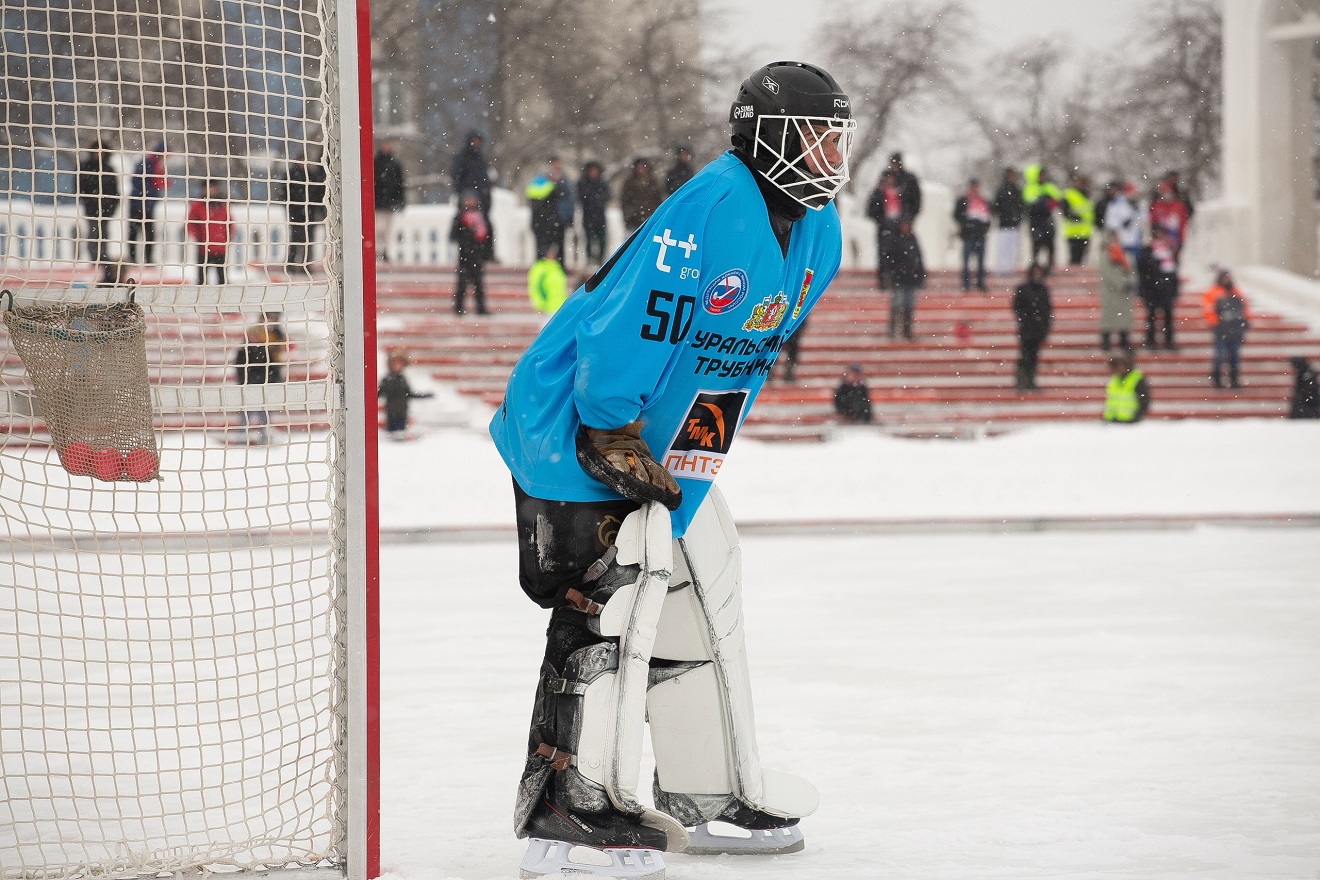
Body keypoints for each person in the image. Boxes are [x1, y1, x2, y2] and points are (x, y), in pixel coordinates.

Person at [488, 59, 855, 879]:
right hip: (576, 426)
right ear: (766, 138)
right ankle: (566, 808)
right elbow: (635, 320)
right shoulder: (711, 205)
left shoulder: (820, 231)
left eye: (838, 140)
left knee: (701, 584)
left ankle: (707, 792)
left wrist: (692, 453)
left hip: (673, 443)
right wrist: (612, 425)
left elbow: (740, 353)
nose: (831, 156)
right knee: (610, 603)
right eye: (816, 138)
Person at [232, 319, 284, 445]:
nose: (254, 337)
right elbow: (239, 370)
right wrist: (247, 382)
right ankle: (241, 437)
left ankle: (264, 436)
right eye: (251, 335)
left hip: (263, 389)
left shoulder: (266, 351)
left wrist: (270, 382)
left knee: (264, 414)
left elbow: (273, 369)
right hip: (248, 388)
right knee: (245, 414)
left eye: (256, 335)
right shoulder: (242, 352)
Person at [78, 139, 120, 282]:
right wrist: (89, 203)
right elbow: (80, 188)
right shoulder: (85, 168)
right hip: (92, 210)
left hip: (106, 211)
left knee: (104, 236)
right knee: (93, 235)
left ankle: (102, 262)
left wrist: (112, 206)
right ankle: (95, 261)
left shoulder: (109, 169)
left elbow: (115, 191)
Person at [1201, 269, 1251, 389]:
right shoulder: (1213, 292)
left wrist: (1245, 321)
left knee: (1234, 355)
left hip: (1235, 328)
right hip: (1222, 329)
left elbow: (1244, 308)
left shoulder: (1235, 291)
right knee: (1220, 354)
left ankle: (1233, 379)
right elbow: (1208, 310)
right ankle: (1217, 379)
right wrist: (1215, 323)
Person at [281, 157, 326, 277]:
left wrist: (317, 209)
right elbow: (286, 192)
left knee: (309, 240)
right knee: (296, 239)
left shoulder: (312, 175)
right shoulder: (292, 175)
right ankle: (291, 263)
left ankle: (306, 264)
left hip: (309, 213)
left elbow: (318, 193)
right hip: (297, 213)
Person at [1137, 225, 1180, 350]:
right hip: (1152, 289)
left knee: (1167, 317)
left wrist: (1174, 288)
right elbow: (1143, 269)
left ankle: (1168, 341)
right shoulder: (1148, 250)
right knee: (1151, 316)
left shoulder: (1170, 249)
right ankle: (1150, 341)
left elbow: (1173, 271)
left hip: (1166, 288)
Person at [449, 192, 492, 315]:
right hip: (464, 255)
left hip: (477, 256)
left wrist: (486, 252)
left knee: (478, 283)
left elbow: (488, 235)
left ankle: (480, 308)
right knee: (462, 284)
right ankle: (459, 308)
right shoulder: (460, 217)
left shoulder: (482, 217)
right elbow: (453, 235)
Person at [1011, 263, 1052, 390]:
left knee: (1033, 357)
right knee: (1025, 356)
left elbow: (1047, 310)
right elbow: (1016, 306)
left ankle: (1030, 381)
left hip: (1037, 329)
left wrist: (1045, 326)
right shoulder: (1023, 288)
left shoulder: (1043, 289)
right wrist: (1024, 318)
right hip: (1027, 328)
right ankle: (1021, 381)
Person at [377, 350, 433, 440]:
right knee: (393, 436)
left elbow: (409, 394)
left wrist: (424, 396)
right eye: (396, 363)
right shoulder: (387, 379)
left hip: (402, 411)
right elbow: (379, 394)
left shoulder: (403, 378)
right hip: (392, 412)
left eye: (400, 363)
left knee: (401, 435)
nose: (398, 366)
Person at [526, 157, 573, 263]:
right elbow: (533, 195)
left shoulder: (565, 181)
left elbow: (568, 201)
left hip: (557, 220)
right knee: (542, 249)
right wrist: (552, 185)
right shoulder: (542, 180)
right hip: (542, 221)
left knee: (558, 248)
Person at [883, 217, 924, 339]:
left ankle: (907, 331)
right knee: (897, 304)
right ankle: (893, 330)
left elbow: (918, 257)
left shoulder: (912, 239)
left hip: (910, 278)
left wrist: (920, 274)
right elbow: (888, 259)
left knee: (908, 305)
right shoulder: (894, 240)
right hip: (899, 278)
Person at [126, 140, 166, 264]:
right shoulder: (148, 163)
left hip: (145, 205)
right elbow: (138, 182)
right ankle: (135, 260)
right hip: (139, 205)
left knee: (146, 234)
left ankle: (145, 259)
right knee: (137, 233)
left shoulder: (153, 164)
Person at [865, 168, 905, 289]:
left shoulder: (900, 192)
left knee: (898, 255)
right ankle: (883, 281)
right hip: (884, 228)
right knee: (884, 256)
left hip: (897, 228)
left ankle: (896, 280)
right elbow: (871, 210)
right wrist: (882, 220)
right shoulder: (878, 193)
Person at [1097, 229, 1136, 352]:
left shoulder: (1124, 255)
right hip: (1111, 292)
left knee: (1123, 320)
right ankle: (1106, 343)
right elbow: (1107, 273)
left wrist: (1129, 281)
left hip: (1122, 293)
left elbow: (1132, 271)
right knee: (1109, 319)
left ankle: (1123, 342)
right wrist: (1122, 283)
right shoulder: (1105, 256)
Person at [186, 180, 231, 285]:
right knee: (202, 279)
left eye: (213, 188)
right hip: (204, 247)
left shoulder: (222, 205)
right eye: (208, 188)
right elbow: (190, 223)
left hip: (220, 247)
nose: (211, 191)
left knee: (222, 278)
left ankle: (222, 299)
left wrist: (226, 238)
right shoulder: (198, 205)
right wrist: (198, 237)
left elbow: (230, 222)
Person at [953, 177, 990, 292]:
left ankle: (980, 282)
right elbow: (957, 215)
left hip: (980, 235)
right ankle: (965, 283)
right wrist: (967, 223)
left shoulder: (983, 201)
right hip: (968, 235)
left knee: (980, 261)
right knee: (966, 261)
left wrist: (982, 228)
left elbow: (988, 217)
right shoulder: (963, 200)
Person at [1022, 163, 1060, 271]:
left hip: (1047, 220)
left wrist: (1047, 202)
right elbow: (1030, 204)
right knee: (1036, 246)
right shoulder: (1029, 188)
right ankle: (1035, 268)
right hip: (1036, 221)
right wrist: (1044, 202)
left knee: (1050, 245)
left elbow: (1057, 199)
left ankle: (1050, 267)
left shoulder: (1048, 186)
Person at [373, 140, 406, 261]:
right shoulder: (375, 163)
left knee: (388, 230)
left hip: (389, 202)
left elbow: (400, 184)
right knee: (376, 228)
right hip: (377, 203)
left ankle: (386, 251)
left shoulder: (395, 165)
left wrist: (400, 200)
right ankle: (376, 250)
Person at [450, 130, 493, 218]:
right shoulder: (462, 158)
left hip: (482, 200)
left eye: (478, 141)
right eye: (474, 141)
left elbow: (485, 180)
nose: (476, 144)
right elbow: (456, 177)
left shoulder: (481, 160)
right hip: (468, 197)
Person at [1102, 347, 1150, 423]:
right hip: (1113, 421)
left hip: (1131, 423)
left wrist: (1137, 416)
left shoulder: (1137, 379)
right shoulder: (1114, 379)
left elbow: (1144, 401)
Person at [990, 167, 1023, 276]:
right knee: (1002, 248)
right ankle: (1001, 269)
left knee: (1012, 248)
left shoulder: (1017, 190)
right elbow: (995, 206)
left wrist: (1017, 216)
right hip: (1003, 224)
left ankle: (1009, 269)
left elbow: (1021, 206)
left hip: (1014, 224)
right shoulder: (1001, 190)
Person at [1103, 181, 1143, 267]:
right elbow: (1109, 222)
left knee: (1135, 265)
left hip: (1135, 240)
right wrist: (1121, 224)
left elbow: (1143, 219)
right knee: (1122, 265)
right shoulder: (1116, 204)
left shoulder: (1138, 204)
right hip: (1121, 240)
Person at [578, 161, 610, 266]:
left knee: (601, 240)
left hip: (600, 217)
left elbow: (607, 196)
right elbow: (581, 197)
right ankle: (589, 259)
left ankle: (600, 259)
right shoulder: (583, 183)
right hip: (588, 217)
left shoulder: (602, 183)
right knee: (588, 239)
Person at [619, 156, 663, 233]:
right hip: (634, 219)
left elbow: (658, 199)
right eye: (638, 167)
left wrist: (657, 214)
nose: (640, 170)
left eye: (642, 167)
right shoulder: (629, 183)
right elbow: (625, 201)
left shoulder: (653, 182)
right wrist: (629, 215)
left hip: (650, 218)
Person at [527, 243, 568, 323]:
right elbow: (535, 287)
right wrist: (539, 305)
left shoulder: (556, 267)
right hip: (546, 308)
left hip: (559, 307)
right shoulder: (539, 268)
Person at [1060, 172, 1094, 266]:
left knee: (1082, 259)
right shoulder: (1068, 194)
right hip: (1073, 232)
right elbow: (1065, 212)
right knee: (1074, 259)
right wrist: (1077, 218)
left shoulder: (1086, 195)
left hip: (1085, 232)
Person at [1148, 180, 1189, 255]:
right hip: (1160, 240)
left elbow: (1183, 222)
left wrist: (1181, 238)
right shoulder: (1156, 206)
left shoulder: (1178, 206)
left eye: (1167, 192)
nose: (1165, 195)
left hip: (1175, 239)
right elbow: (1152, 221)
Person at [887, 151, 922, 220]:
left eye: (896, 163)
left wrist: (908, 216)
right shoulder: (886, 177)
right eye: (892, 163)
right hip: (887, 219)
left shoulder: (909, 179)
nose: (894, 166)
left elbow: (915, 199)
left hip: (904, 219)